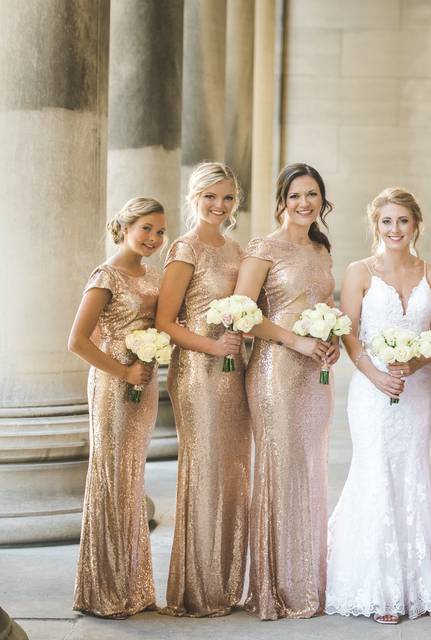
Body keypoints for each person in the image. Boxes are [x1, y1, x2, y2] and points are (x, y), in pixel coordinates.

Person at [325, 187, 431, 624]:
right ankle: (378, 588)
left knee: (411, 471)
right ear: (376, 226)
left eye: (403, 221)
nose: (395, 229)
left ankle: (413, 582)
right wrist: (374, 374)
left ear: (416, 225)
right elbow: (349, 332)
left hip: (416, 390)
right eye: (386, 222)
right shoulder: (359, 272)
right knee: (374, 471)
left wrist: (414, 363)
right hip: (371, 389)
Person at [234, 163, 339, 619]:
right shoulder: (264, 248)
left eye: (312, 195)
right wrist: (296, 340)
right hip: (276, 370)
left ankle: (306, 579)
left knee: (310, 468)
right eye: (295, 195)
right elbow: (243, 313)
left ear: (321, 200)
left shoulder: (321, 250)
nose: (304, 203)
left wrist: (330, 339)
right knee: (281, 467)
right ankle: (275, 586)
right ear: (282, 200)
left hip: (315, 374)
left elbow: (324, 306)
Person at [155, 162, 251, 617]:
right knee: (206, 468)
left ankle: (227, 582)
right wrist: (212, 346)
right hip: (197, 372)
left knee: (232, 470)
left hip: (236, 370)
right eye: (210, 196)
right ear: (194, 198)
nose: (219, 205)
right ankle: (198, 588)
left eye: (227, 197)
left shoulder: (236, 249)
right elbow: (164, 321)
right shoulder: (184, 248)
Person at [68, 197, 166, 618]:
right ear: (125, 226)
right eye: (146, 228)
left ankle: (134, 587)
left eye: (160, 232)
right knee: (111, 477)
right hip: (112, 385)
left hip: (142, 386)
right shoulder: (105, 275)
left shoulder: (151, 274)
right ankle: (103, 591)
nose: (154, 238)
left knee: (130, 478)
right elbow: (77, 341)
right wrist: (124, 374)